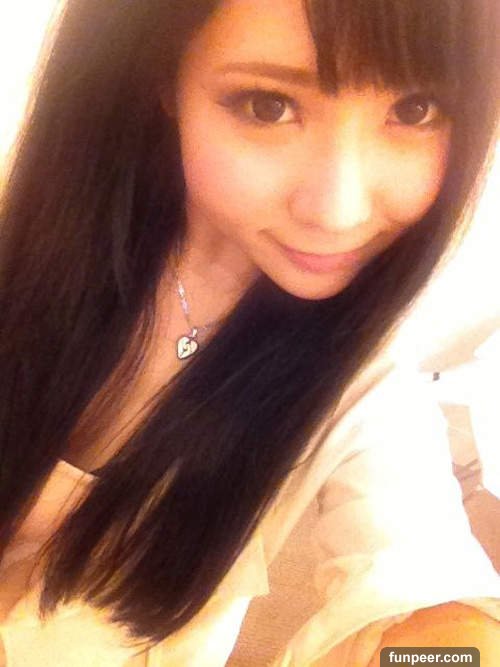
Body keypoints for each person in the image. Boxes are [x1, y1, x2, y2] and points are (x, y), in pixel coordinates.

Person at [0, 0, 499, 665]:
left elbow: (427, 585)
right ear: (163, 76)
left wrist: (446, 650)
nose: (337, 210)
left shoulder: (365, 385)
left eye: (413, 110)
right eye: (269, 105)